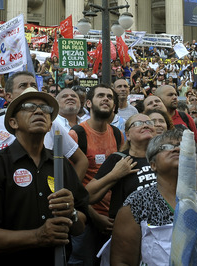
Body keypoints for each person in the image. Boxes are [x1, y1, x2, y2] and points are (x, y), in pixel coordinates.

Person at [0, 87, 88, 265]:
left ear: (50, 125)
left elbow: (80, 226)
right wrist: (38, 236)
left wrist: (72, 213)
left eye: (46, 109)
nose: (39, 111)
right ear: (13, 123)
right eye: (29, 107)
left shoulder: (60, 165)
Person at [110, 130, 197, 265]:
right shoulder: (138, 204)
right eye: (166, 147)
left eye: (182, 146)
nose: (177, 149)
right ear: (153, 165)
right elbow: (122, 261)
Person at [0, 72, 88, 182]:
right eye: (23, 86)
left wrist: (69, 191)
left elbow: (81, 160)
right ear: (8, 96)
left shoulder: (50, 123)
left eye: (34, 85)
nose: (30, 89)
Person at [68, 84, 122, 265]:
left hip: (112, 218)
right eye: (100, 96)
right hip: (86, 219)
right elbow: (69, 185)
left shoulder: (117, 134)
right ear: (89, 103)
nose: (106, 99)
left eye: (109, 97)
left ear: (114, 106)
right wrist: (94, 216)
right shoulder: (76, 135)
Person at [87, 113, 157, 220]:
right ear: (127, 135)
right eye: (138, 124)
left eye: (149, 123)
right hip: (129, 226)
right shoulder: (118, 159)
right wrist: (114, 175)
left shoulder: (163, 157)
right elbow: (88, 195)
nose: (146, 125)